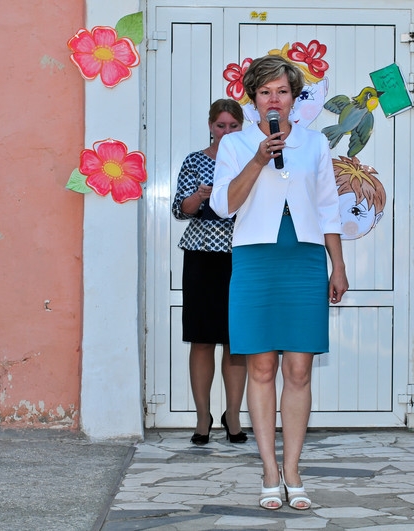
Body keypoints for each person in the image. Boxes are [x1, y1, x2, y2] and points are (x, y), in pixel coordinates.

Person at [210, 55, 348, 510]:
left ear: (294, 98)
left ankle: (293, 469)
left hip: (305, 259)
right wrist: (257, 159)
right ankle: (269, 469)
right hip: (255, 260)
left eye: (282, 92)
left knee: (299, 370)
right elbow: (224, 205)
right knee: (262, 367)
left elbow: (328, 208)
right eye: (266, 92)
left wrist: (338, 266)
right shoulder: (236, 144)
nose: (275, 100)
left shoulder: (314, 143)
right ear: (254, 98)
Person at [171, 98, 248, 445]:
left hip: (242, 255)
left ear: (242, 127)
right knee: (202, 340)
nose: (226, 132)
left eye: (233, 126)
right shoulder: (194, 160)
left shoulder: (252, 160)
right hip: (201, 256)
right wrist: (201, 196)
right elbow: (180, 210)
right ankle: (203, 417)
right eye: (221, 125)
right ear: (210, 126)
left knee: (236, 342)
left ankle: (233, 416)